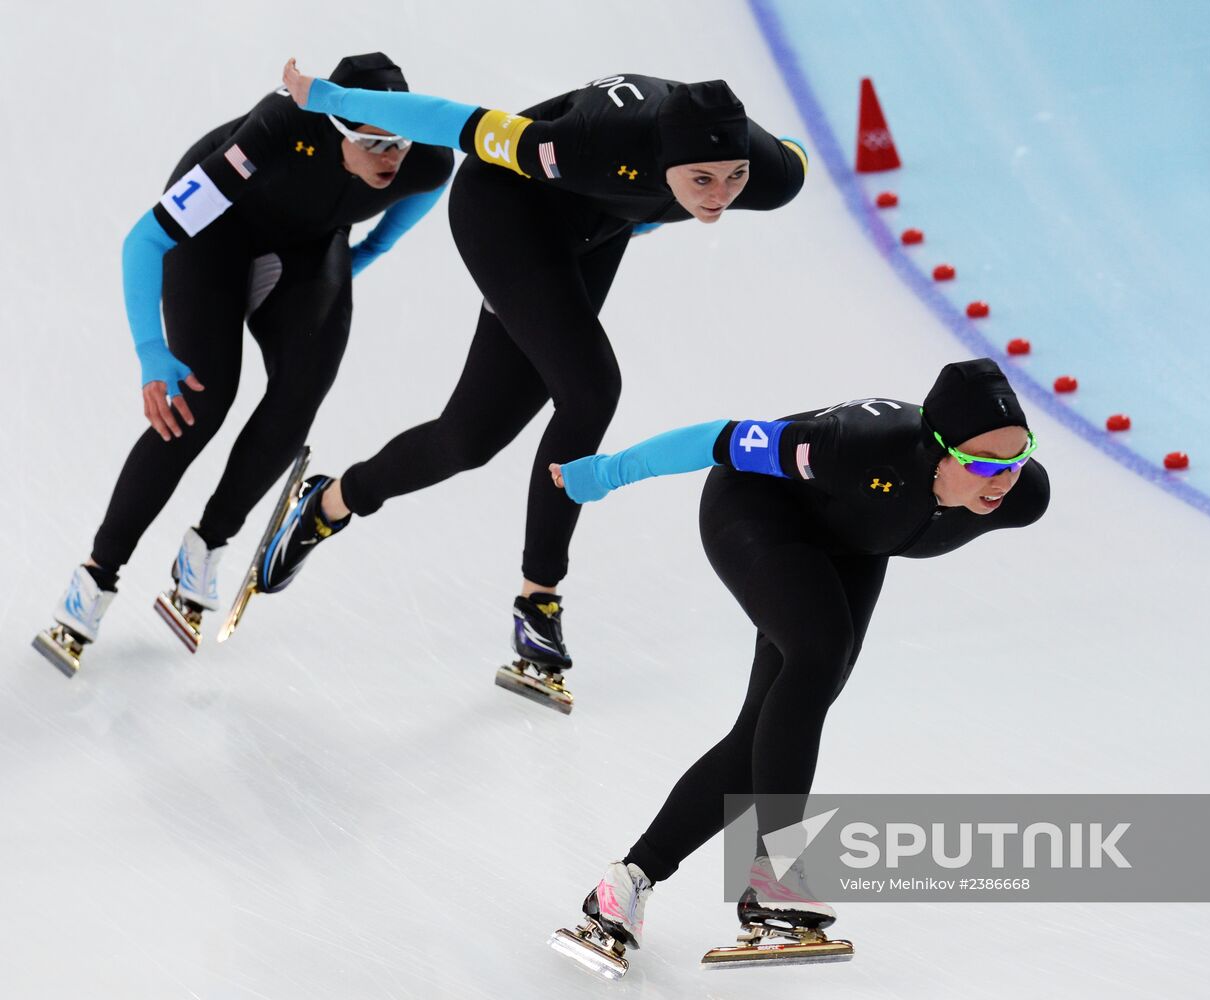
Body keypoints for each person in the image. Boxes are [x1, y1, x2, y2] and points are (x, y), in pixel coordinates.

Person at [257, 60, 810, 706]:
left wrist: (683, 195)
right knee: (592, 387)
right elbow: (453, 122)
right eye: (701, 181)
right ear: (665, 157)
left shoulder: (764, 174)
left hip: (596, 226)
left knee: (469, 438)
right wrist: (328, 97)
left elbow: (793, 154)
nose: (718, 196)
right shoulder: (586, 141)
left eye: (733, 178)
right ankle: (538, 603)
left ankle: (330, 502)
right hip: (504, 210)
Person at [545, 359, 1051, 976]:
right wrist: (602, 474)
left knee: (771, 726)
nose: (1002, 479)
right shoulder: (854, 447)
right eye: (984, 463)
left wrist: (1001, 471)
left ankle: (624, 885)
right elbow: (715, 440)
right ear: (935, 450)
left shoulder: (1021, 495)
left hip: (856, 542)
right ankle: (775, 881)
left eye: (1016, 457)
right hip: (757, 513)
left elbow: (977, 488)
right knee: (817, 653)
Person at [33, 53, 455, 676]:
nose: (391, 156)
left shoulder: (422, 158)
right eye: (373, 142)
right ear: (337, 128)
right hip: (216, 233)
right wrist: (153, 355)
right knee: (200, 401)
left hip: (310, 244)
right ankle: (94, 578)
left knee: (301, 395)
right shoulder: (277, 130)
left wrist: (371, 251)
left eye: (399, 139)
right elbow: (145, 239)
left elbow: (433, 179)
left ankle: (205, 547)